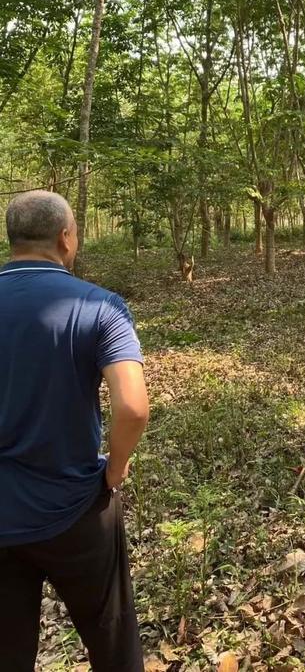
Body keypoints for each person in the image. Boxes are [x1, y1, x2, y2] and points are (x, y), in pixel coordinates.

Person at [0, 190, 149, 672]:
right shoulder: (100, 306)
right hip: (75, 507)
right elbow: (132, 407)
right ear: (66, 238)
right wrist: (116, 468)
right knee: (112, 643)